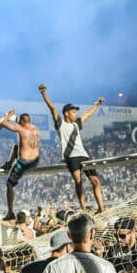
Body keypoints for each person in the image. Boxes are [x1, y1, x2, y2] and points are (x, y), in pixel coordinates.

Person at [38, 84, 106, 212]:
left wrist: (97, 104)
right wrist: (44, 94)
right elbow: (52, 108)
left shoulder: (76, 124)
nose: (76, 114)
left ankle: (101, 208)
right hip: (71, 156)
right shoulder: (60, 124)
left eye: (76, 112)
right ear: (66, 113)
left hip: (83, 155)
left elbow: (87, 114)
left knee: (95, 181)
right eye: (73, 112)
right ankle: (84, 208)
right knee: (78, 181)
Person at [0, 110, 41, 221]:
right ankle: (8, 164)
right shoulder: (36, 129)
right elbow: (22, 123)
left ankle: (10, 212)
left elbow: (3, 123)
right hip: (35, 161)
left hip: (23, 163)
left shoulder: (21, 129)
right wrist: (17, 119)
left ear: (22, 121)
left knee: (9, 184)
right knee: (16, 147)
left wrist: (8, 115)